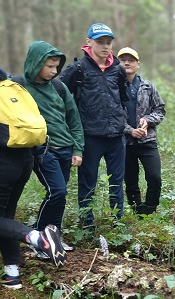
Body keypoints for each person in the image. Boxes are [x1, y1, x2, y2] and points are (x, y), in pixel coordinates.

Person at [0, 35, 66, 289]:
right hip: (24, 157)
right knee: (4, 216)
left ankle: (39, 238)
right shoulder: (2, 78)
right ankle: (12, 274)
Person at [19, 41, 84, 259]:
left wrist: (77, 148)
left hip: (65, 148)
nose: (55, 71)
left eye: (56, 67)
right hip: (42, 150)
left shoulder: (59, 87)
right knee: (58, 191)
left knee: (59, 195)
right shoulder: (17, 86)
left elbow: (73, 119)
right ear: (36, 63)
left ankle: (54, 235)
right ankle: (38, 236)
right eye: (50, 66)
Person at [61, 23, 128, 231]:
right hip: (90, 136)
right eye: (100, 42)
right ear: (88, 42)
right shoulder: (77, 69)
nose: (105, 47)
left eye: (108, 43)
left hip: (116, 136)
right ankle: (87, 223)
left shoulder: (118, 69)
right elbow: (61, 97)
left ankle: (117, 223)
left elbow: (123, 99)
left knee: (117, 181)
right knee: (87, 182)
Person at [118, 47, 166, 215]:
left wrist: (148, 120)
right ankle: (137, 210)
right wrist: (130, 130)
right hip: (125, 143)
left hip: (148, 141)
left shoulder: (148, 87)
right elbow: (111, 116)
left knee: (154, 177)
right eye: (122, 59)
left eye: (130, 60)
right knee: (130, 180)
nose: (126, 62)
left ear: (138, 64)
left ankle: (150, 209)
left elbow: (160, 110)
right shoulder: (115, 87)